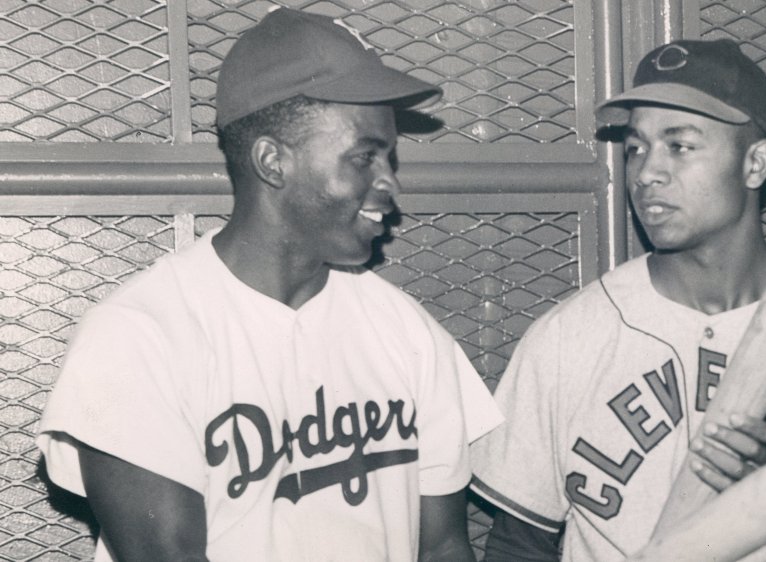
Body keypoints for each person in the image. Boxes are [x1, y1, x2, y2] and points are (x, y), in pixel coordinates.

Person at [36, 8, 502, 562]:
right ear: (272, 161)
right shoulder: (140, 337)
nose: (390, 183)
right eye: (365, 157)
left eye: (390, 158)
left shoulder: (407, 333)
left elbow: (445, 548)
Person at [469, 38, 766, 561]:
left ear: (756, 163)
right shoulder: (567, 339)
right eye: (636, 148)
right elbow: (518, 546)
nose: (647, 171)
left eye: (680, 145)